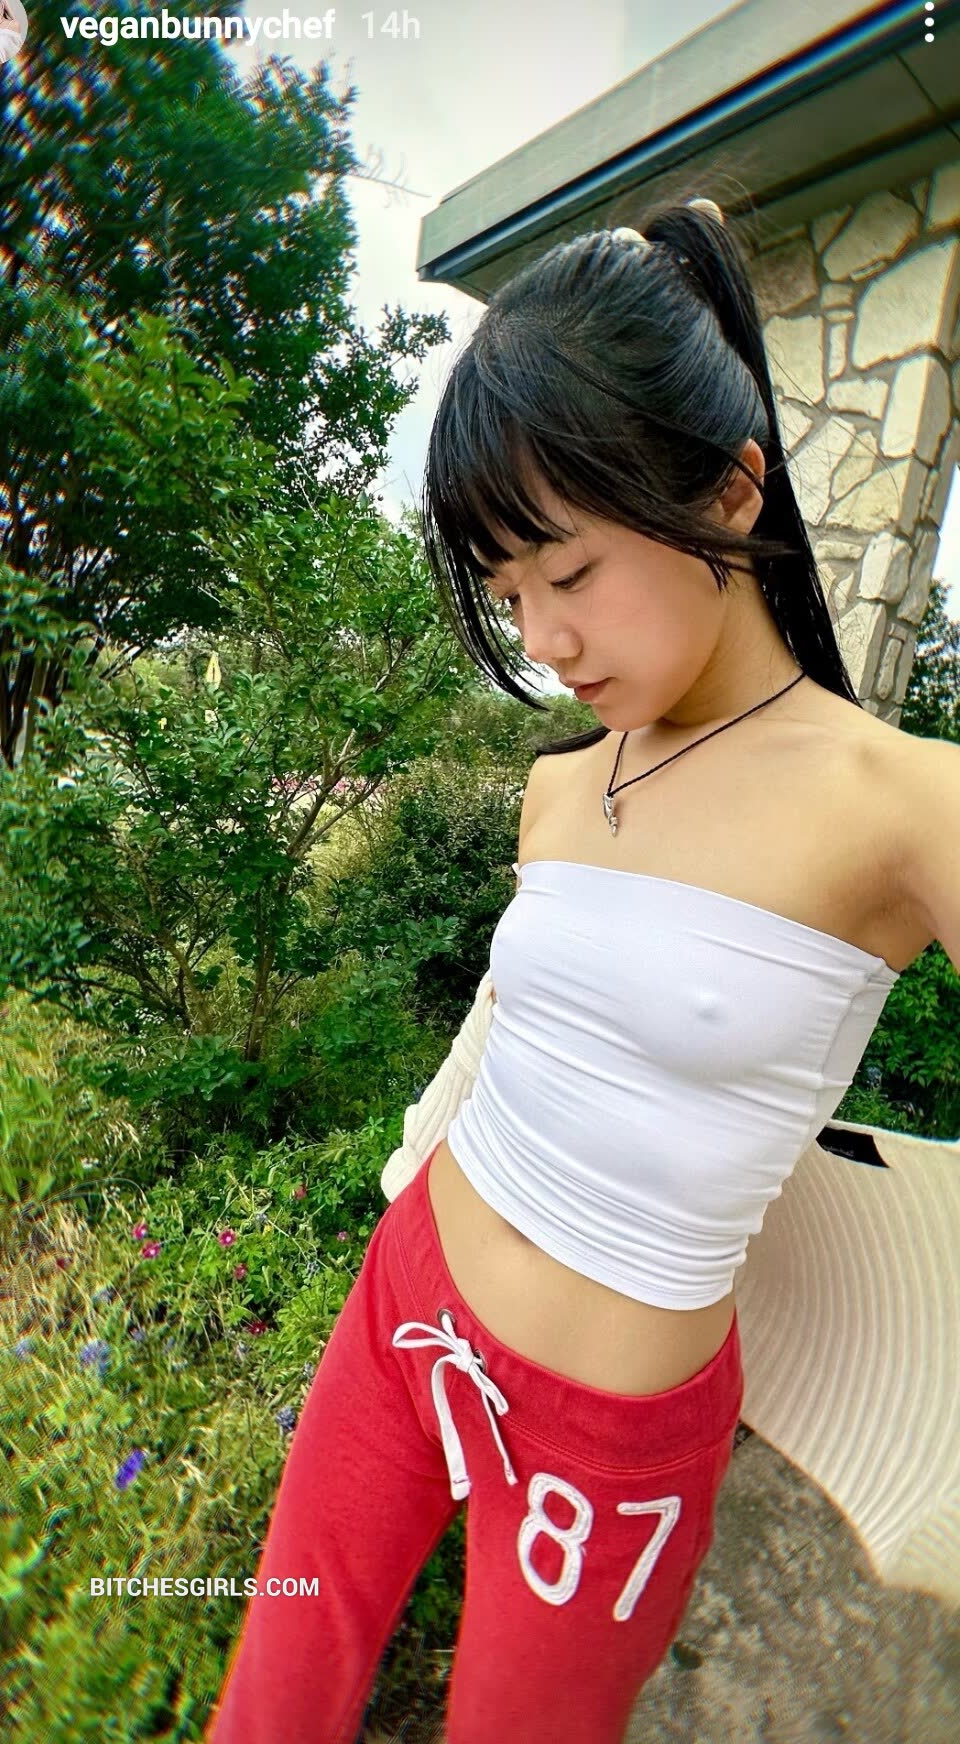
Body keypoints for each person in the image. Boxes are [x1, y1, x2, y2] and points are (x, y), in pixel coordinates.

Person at [204, 198, 958, 1741]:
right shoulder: (561, 787)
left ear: (734, 489)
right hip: (410, 1301)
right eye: (506, 590)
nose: (542, 637)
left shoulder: (901, 807)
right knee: (272, 1695)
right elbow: (520, 1034)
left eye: (569, 569)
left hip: (607, 1456)